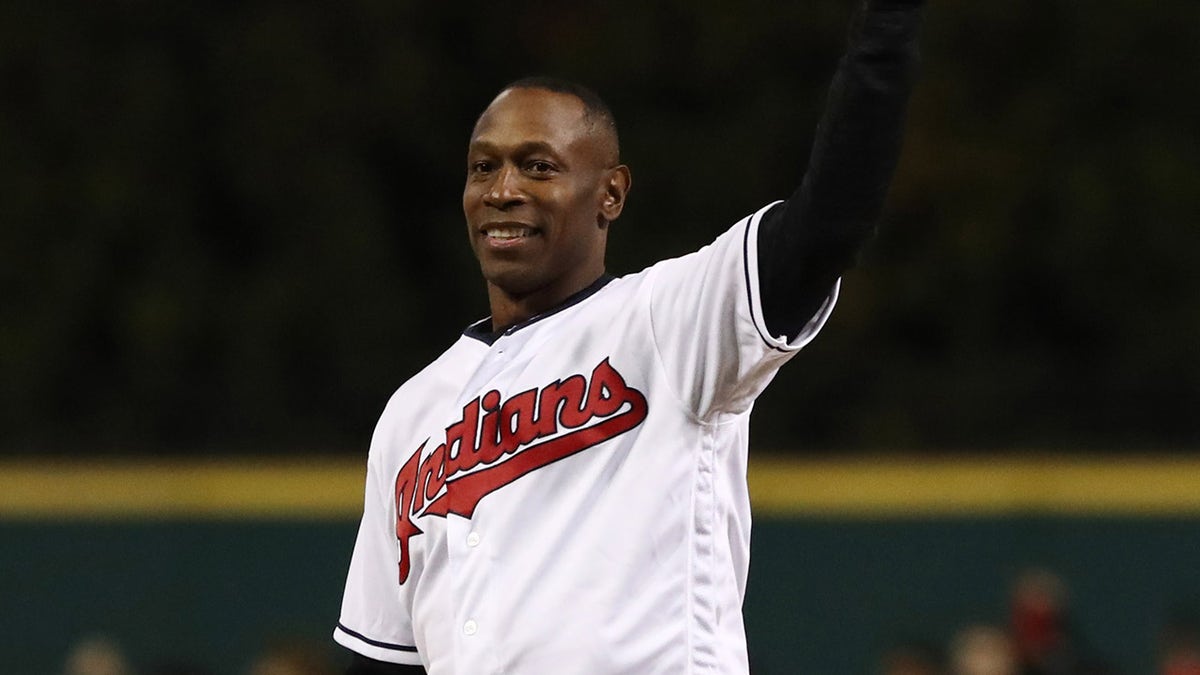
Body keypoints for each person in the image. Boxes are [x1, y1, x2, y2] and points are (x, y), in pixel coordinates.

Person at [334, 1, 924, 672]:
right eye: (483, 167)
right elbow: (384, 659)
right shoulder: (413, 411)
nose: (503, 189)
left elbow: (828, 223)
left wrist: (886, 31)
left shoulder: (666, 321)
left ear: (610, 193)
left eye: (539, 166)